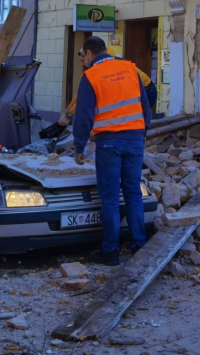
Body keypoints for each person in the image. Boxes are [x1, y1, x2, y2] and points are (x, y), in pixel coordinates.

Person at [71, 36, 151, 266]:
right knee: (134, 194)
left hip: (108, 143)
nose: (83, 60)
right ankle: (139, 246)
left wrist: (79, 146)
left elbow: (84, 115)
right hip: (135, 140)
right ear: (105, 50)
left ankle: (111, 251)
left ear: (88, 54)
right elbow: (144, 104)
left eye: (83, 56)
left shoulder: (91, 76)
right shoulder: (129, 68)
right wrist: (143, 132)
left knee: (110, 199)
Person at [57, 48, 156, 127]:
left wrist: (69, 115)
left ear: (89, 54)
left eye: (83, 60)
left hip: (147, 90)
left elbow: (84, 96)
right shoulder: (102, 61)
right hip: (138, 88)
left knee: (130, 121)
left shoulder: (102, 66)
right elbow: (82, 93)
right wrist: (68, 110)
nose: (82, 63)